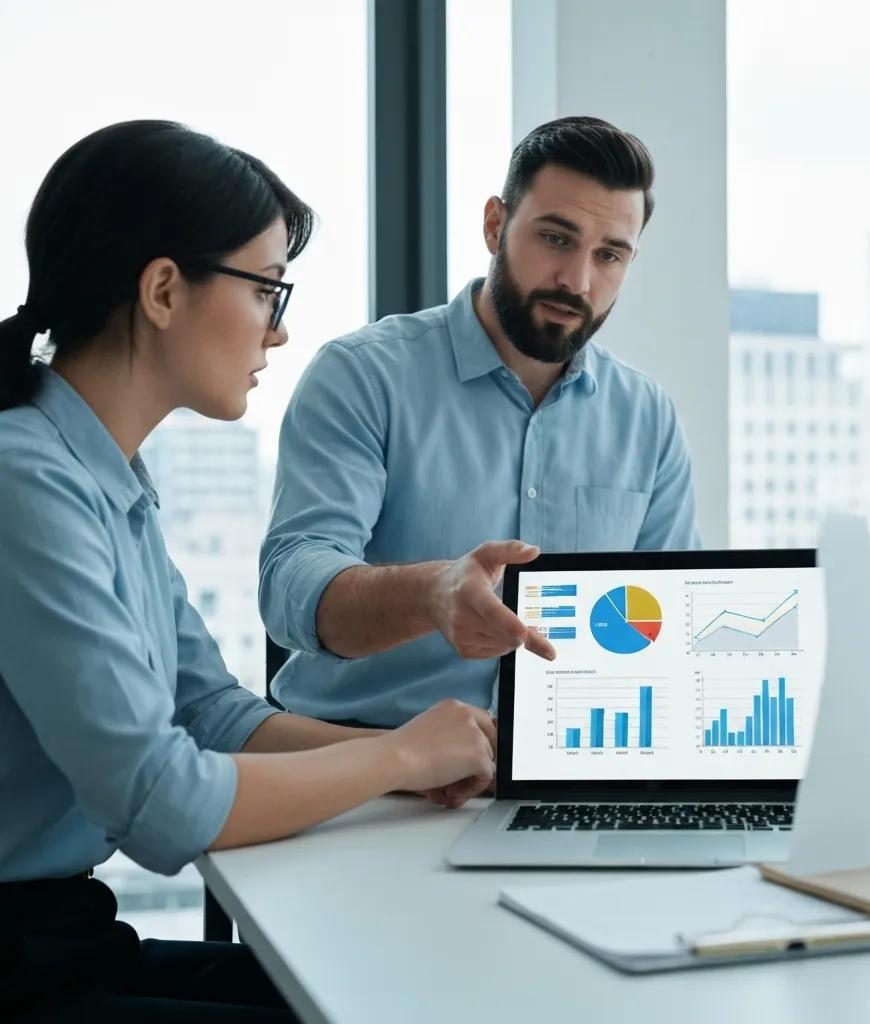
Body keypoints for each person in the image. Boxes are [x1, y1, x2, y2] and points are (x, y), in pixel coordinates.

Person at [0, 120, 496, 1022]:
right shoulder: (25, 481)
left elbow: (210, 713)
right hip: (17, 957)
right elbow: (161, 804)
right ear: (162, 290)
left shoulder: (107, 477)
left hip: (64, 932)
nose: (280, 327)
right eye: (267, 288)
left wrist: (413, 765)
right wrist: (393, 752)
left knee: (387, 990)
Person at [260, 115, 701, 730]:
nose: (577, 280)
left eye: (609, 255)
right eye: (555, 239)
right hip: (367, 774)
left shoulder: (646, 419)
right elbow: (293, 586)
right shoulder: (363, 375)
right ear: (496, 225)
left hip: (566, 782)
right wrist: (431, 595)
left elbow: (670, 630)